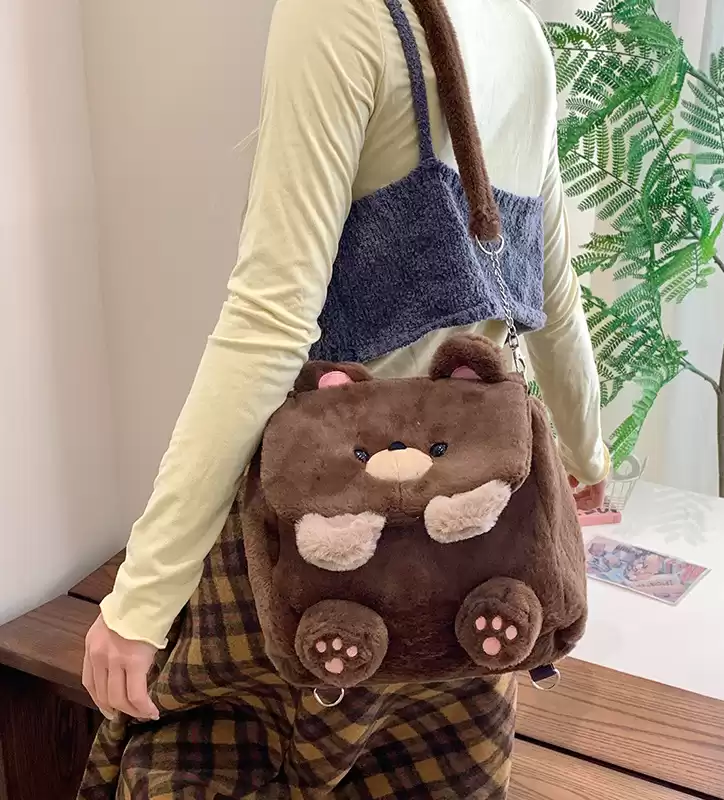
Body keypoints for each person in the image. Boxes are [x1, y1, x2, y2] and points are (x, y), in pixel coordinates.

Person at [82, 0, 608, 794]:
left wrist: (142, 601)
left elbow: (269, 323)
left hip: (318, 530)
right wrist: (586, 453)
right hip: (475, 533)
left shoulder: (340, 13)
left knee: (213, 758)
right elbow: (552, 289)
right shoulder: (519, 29)